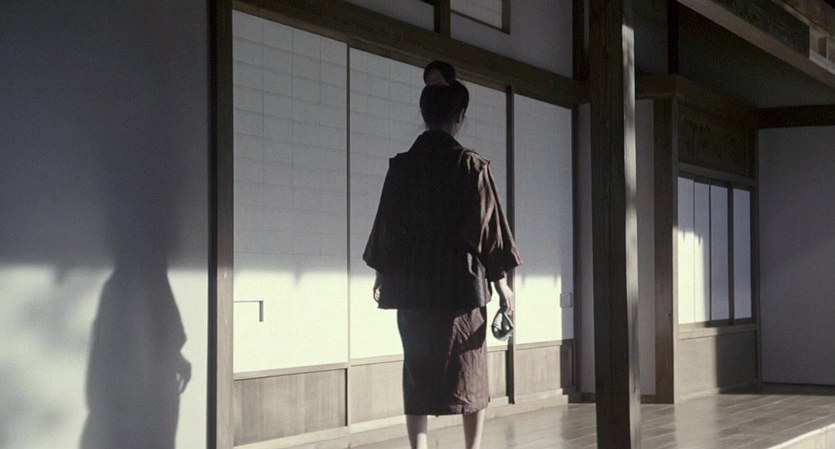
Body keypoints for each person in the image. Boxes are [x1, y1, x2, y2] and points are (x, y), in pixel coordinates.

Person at [363, 60, 522, 449]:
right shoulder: (471, 166)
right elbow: (488, 229)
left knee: (417, 369)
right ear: (460, 116)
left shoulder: (402, 167)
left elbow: (387, 224)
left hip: (412, 284)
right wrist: (502, 285)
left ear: (424, 114)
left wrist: (382, 274)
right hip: (460, 287)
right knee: (470, 371)